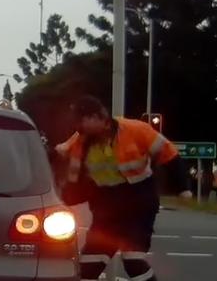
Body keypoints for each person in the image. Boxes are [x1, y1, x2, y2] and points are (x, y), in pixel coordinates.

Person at [54, 95, 192, 281]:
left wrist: (183, 187)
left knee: (133, 260)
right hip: (106, 207)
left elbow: (170, 155)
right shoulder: (80, 140)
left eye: (81, 121)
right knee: (89, 265)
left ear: (98, 117)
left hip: (138, 204)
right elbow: (59, 158)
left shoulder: (135, 130)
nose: (78, 127)